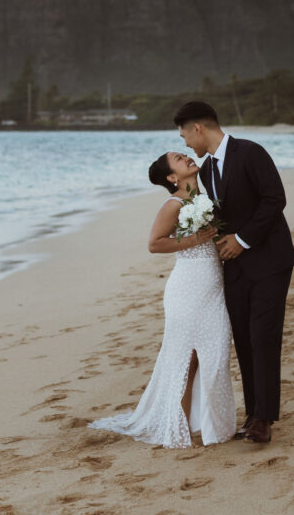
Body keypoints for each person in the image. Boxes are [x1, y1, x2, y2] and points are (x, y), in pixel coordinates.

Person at [89, 151, 236, 449]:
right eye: (180, 159)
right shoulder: (174, 205)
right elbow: (154, 244)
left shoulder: (204, 199)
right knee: (187, 359)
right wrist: (197, 239)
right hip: (187, 288)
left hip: (214, 287)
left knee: (216, 354)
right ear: (172, 178)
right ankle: (180, 428)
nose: (187, 159)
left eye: (184, 155)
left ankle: (213, 424)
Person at [174, 101, 294, 445]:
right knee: (243, 340)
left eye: (184, 133)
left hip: (270, 261)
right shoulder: (207, 170)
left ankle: (264, 419)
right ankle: (253, 412)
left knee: (264, 336)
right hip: (234, 268)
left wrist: (242, 239)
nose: (185, 143)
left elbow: (275, 200)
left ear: (197, 128)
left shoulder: (250, 153)